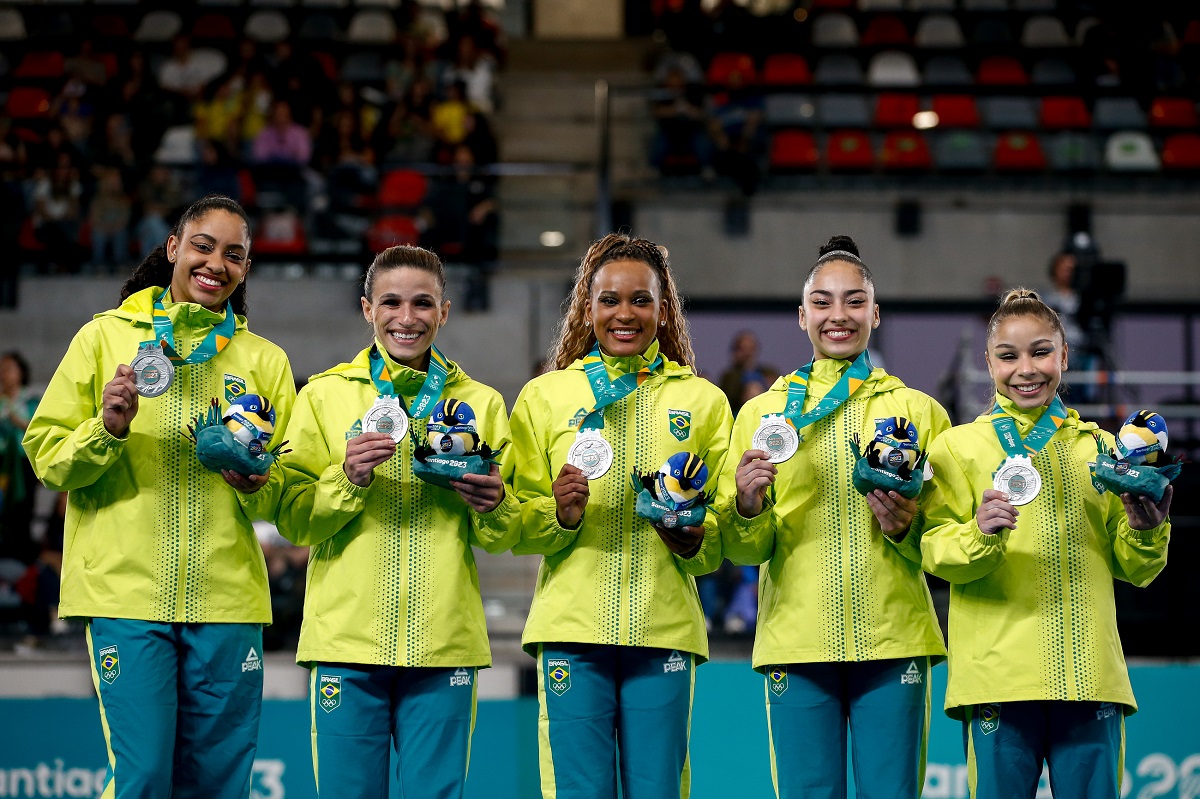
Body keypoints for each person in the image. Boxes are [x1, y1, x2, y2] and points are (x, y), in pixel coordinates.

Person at [22, 194, 296, 798]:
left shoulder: (264, 361)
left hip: (225, 600)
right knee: (144, 777)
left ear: (245, 269)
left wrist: (258, 482)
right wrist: (107, 429)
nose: (215, 263)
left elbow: (286, 491)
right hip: (126, 595)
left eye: (234, 255)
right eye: (203, 245)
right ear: (174, 248)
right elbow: (47, 459)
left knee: (219, 784)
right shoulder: (104, 338)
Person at [276, 244, 519, 798]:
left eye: (422, 304)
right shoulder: (321, 397)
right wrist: (346, 479)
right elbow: (294, 520)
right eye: (391, 302)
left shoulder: (481, 403)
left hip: (444, 644)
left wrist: (494, 504)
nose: (406, 319)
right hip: (346, 642)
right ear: (367, 309)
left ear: (445, 311)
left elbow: (509, 532)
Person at [717, 235, 951, 799]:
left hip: (893, 640)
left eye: (853, 300)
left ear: (875, 312)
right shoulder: (762, 413)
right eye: (822, 302)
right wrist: (747, 507)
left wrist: (906, 527)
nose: (838, 316)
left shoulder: (921, 412)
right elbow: (742, 549)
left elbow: (947, 547)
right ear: (802, 316)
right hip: (796, 642)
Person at [917, 289, 1172, 799]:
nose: (1026, 369)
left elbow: (1136, 569)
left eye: (1040, 352)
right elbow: (934, 553)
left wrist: (1147, 528)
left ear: (1064, 356)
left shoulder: (1102, 450)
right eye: (1008, 357)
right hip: (997, 678)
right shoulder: (957, 447)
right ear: (988, 362)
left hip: (1089, 673)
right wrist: (978, 533)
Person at [506, 233, 733, 798]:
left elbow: (724, 532)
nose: (624, 314)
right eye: (609, 300)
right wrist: (557, 514)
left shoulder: (704, 401)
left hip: (663, 629)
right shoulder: (545, 397)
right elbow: (508, 522)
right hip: (570, 631)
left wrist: (691, 537)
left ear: (664, 309)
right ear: (588, 307)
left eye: (641, 299)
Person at [0, 351, 40, 565]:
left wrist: (14, 418)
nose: (3, 374)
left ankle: (21, 559)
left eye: (8, 369)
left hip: (23, 464)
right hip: (2, 463)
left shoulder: (30, 399)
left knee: (22, 510)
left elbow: (36, 427)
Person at [717, 329, 778, 417]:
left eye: (751, 349)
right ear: (735, 351)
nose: (748, 353)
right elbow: (727, 399)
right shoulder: (729, 377)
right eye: (743, 349)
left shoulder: (769, 372)